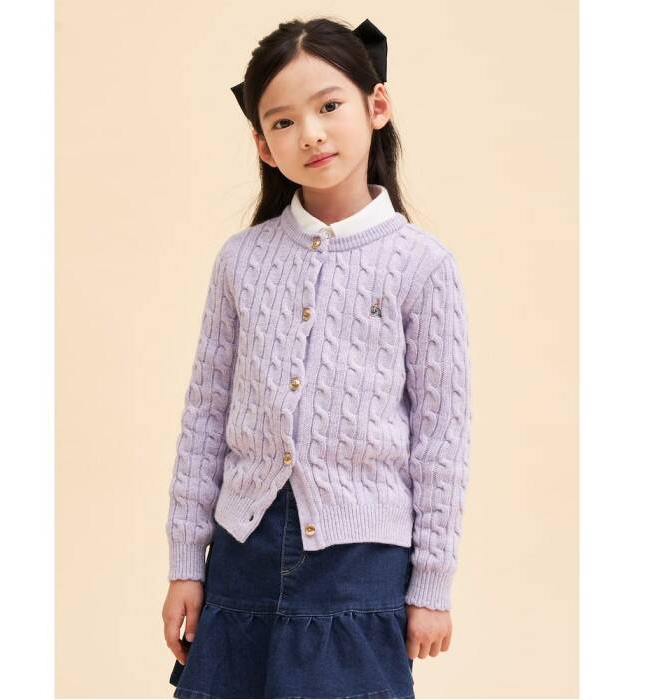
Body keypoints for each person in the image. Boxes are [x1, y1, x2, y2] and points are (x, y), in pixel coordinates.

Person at [161, 16, 472, 699]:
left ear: (377, 106)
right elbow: (205, 416)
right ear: (263, 145)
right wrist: (186, 562)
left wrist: (433, 584)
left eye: (329, 106)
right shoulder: (241, 261)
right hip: (241, 549)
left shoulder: (421, 265)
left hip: (362, 561)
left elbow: (441, 440)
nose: (311, 133)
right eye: (283, 121)